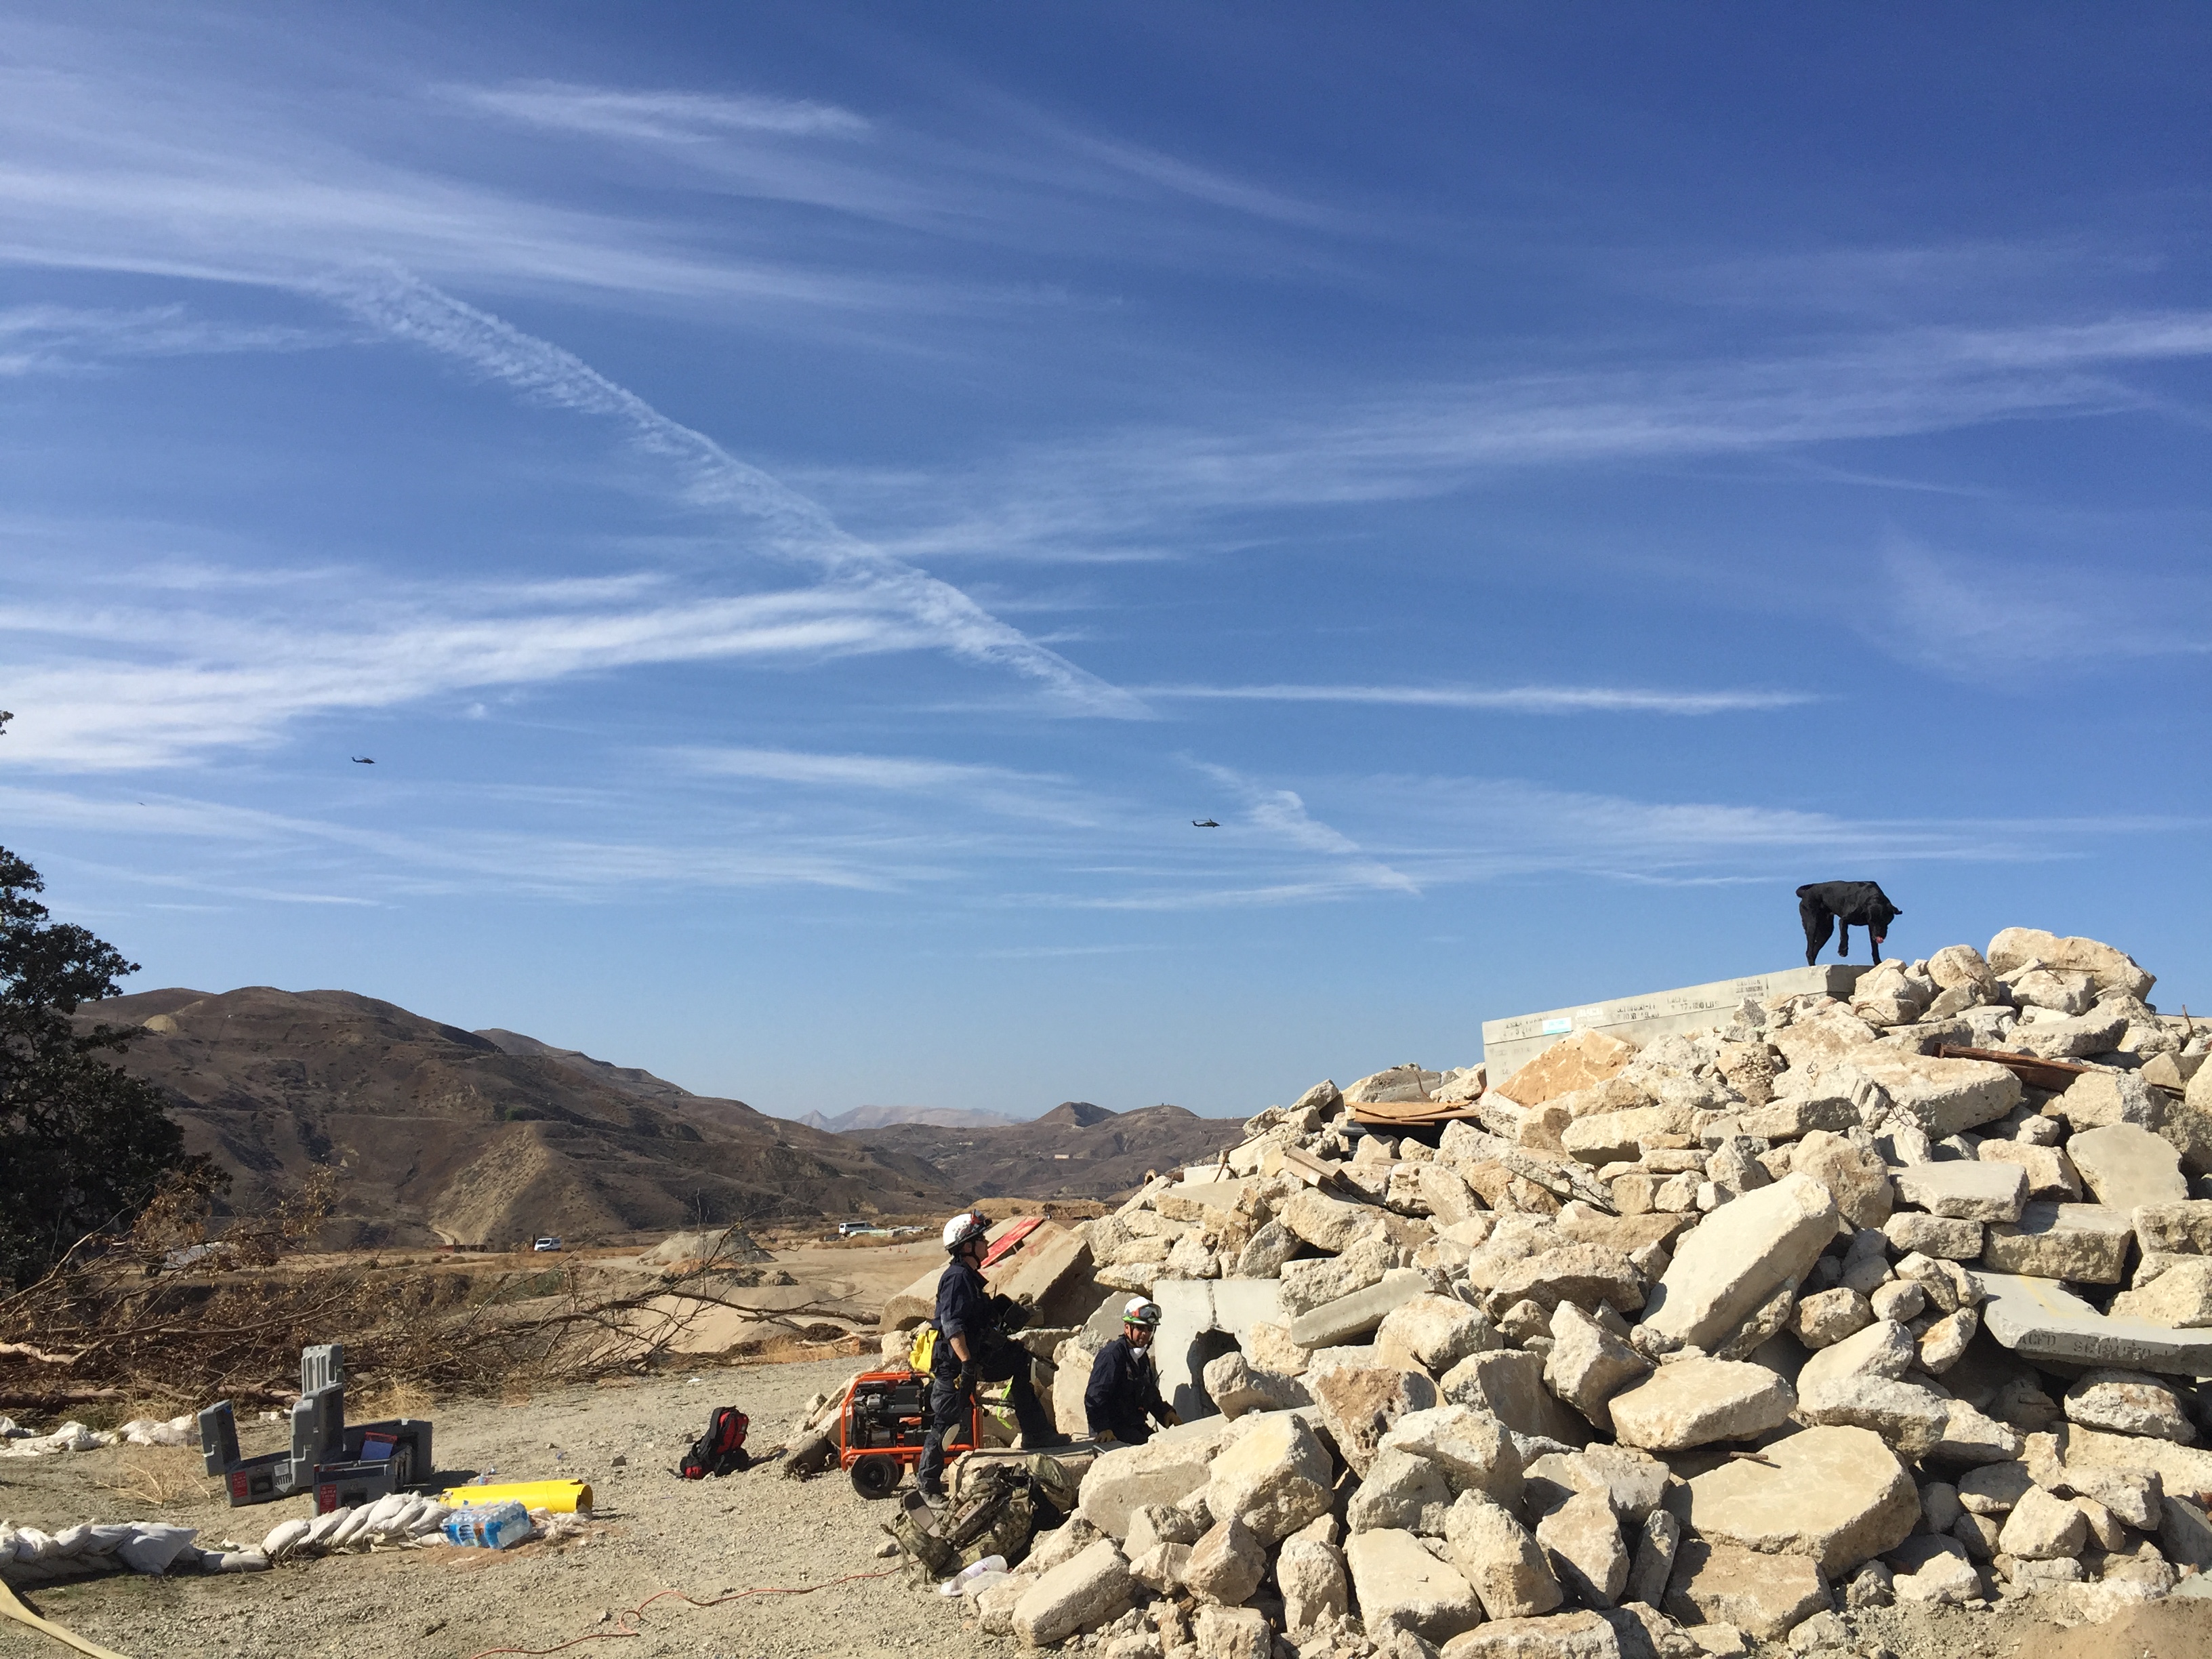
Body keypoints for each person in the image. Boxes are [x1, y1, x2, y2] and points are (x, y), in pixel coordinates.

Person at [916, 1208, 1052, 1507]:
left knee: (1018, 1359)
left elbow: (976, 1320)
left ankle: (1036, 1434)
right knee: (948, 1422)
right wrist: (966, 1365)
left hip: (972, 1360)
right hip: (954, 1366)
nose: (987, 1243)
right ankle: (926, 1486)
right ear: (967, 1246)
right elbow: (952, 1326)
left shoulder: (969, 1278)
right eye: (981, 1239)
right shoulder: (956, 1279)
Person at [1084, 1296, 1180, 1445]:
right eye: (1140, 1328)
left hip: (1135, 1426)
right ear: (1127, 1327)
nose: (1145, 1333)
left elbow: (1148, 1393)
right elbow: (1095, 1395)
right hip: (1114, 1431)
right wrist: (1103, 1428)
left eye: (1150, 1329)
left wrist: (1165, 1413)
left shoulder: (1141, 1358)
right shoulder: (1112, 1355)